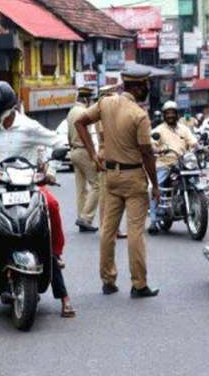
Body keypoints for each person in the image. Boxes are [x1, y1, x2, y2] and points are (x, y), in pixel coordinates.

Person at [0, 81, 75, 320]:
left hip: (29, 185)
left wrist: (50, 170)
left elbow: (58, 142)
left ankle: (56, 256)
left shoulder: (28, 127)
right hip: (0, 186)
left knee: (52, 206)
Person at [75, 70, 160, 298]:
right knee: (135, 233)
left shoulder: (106, 103)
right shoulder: (139, 115)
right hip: (133, 179)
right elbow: (147, 154)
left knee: (107, 231)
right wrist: (156, 185)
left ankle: (108, 280)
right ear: (140, 87)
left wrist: (93, 154)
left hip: (110, 176)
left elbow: (80, 122)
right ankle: (139, 284)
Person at [148, 100, 198, 234]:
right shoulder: (158, 130)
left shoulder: (184, 129)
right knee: (155, 187)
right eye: (168, 113)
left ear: (177, 114)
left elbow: (193, 142)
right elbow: (152, 143)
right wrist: (156, 150)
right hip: (165, 163)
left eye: (173, 113)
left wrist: (195, 147)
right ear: (164, 115)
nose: (170, 115)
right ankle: (153, 221)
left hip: (183, 162)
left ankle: (197, 202)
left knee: (197, 180)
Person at [67, 86, 100, 232]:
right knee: (97, 184)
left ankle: (82, 216)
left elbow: (69, 134)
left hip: (74, 150)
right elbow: (86, 135)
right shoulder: (83, 112)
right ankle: (86, 218)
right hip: (83, 150)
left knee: (81, 188)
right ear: (86, 99)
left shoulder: (72, 111)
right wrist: (93, 153)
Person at [96, 84, 127, 240]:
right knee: (106, 195)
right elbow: (104, 134)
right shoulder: (103, 112)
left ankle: (115, 228)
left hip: (116, 156)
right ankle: (106, 228)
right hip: (107, 155)